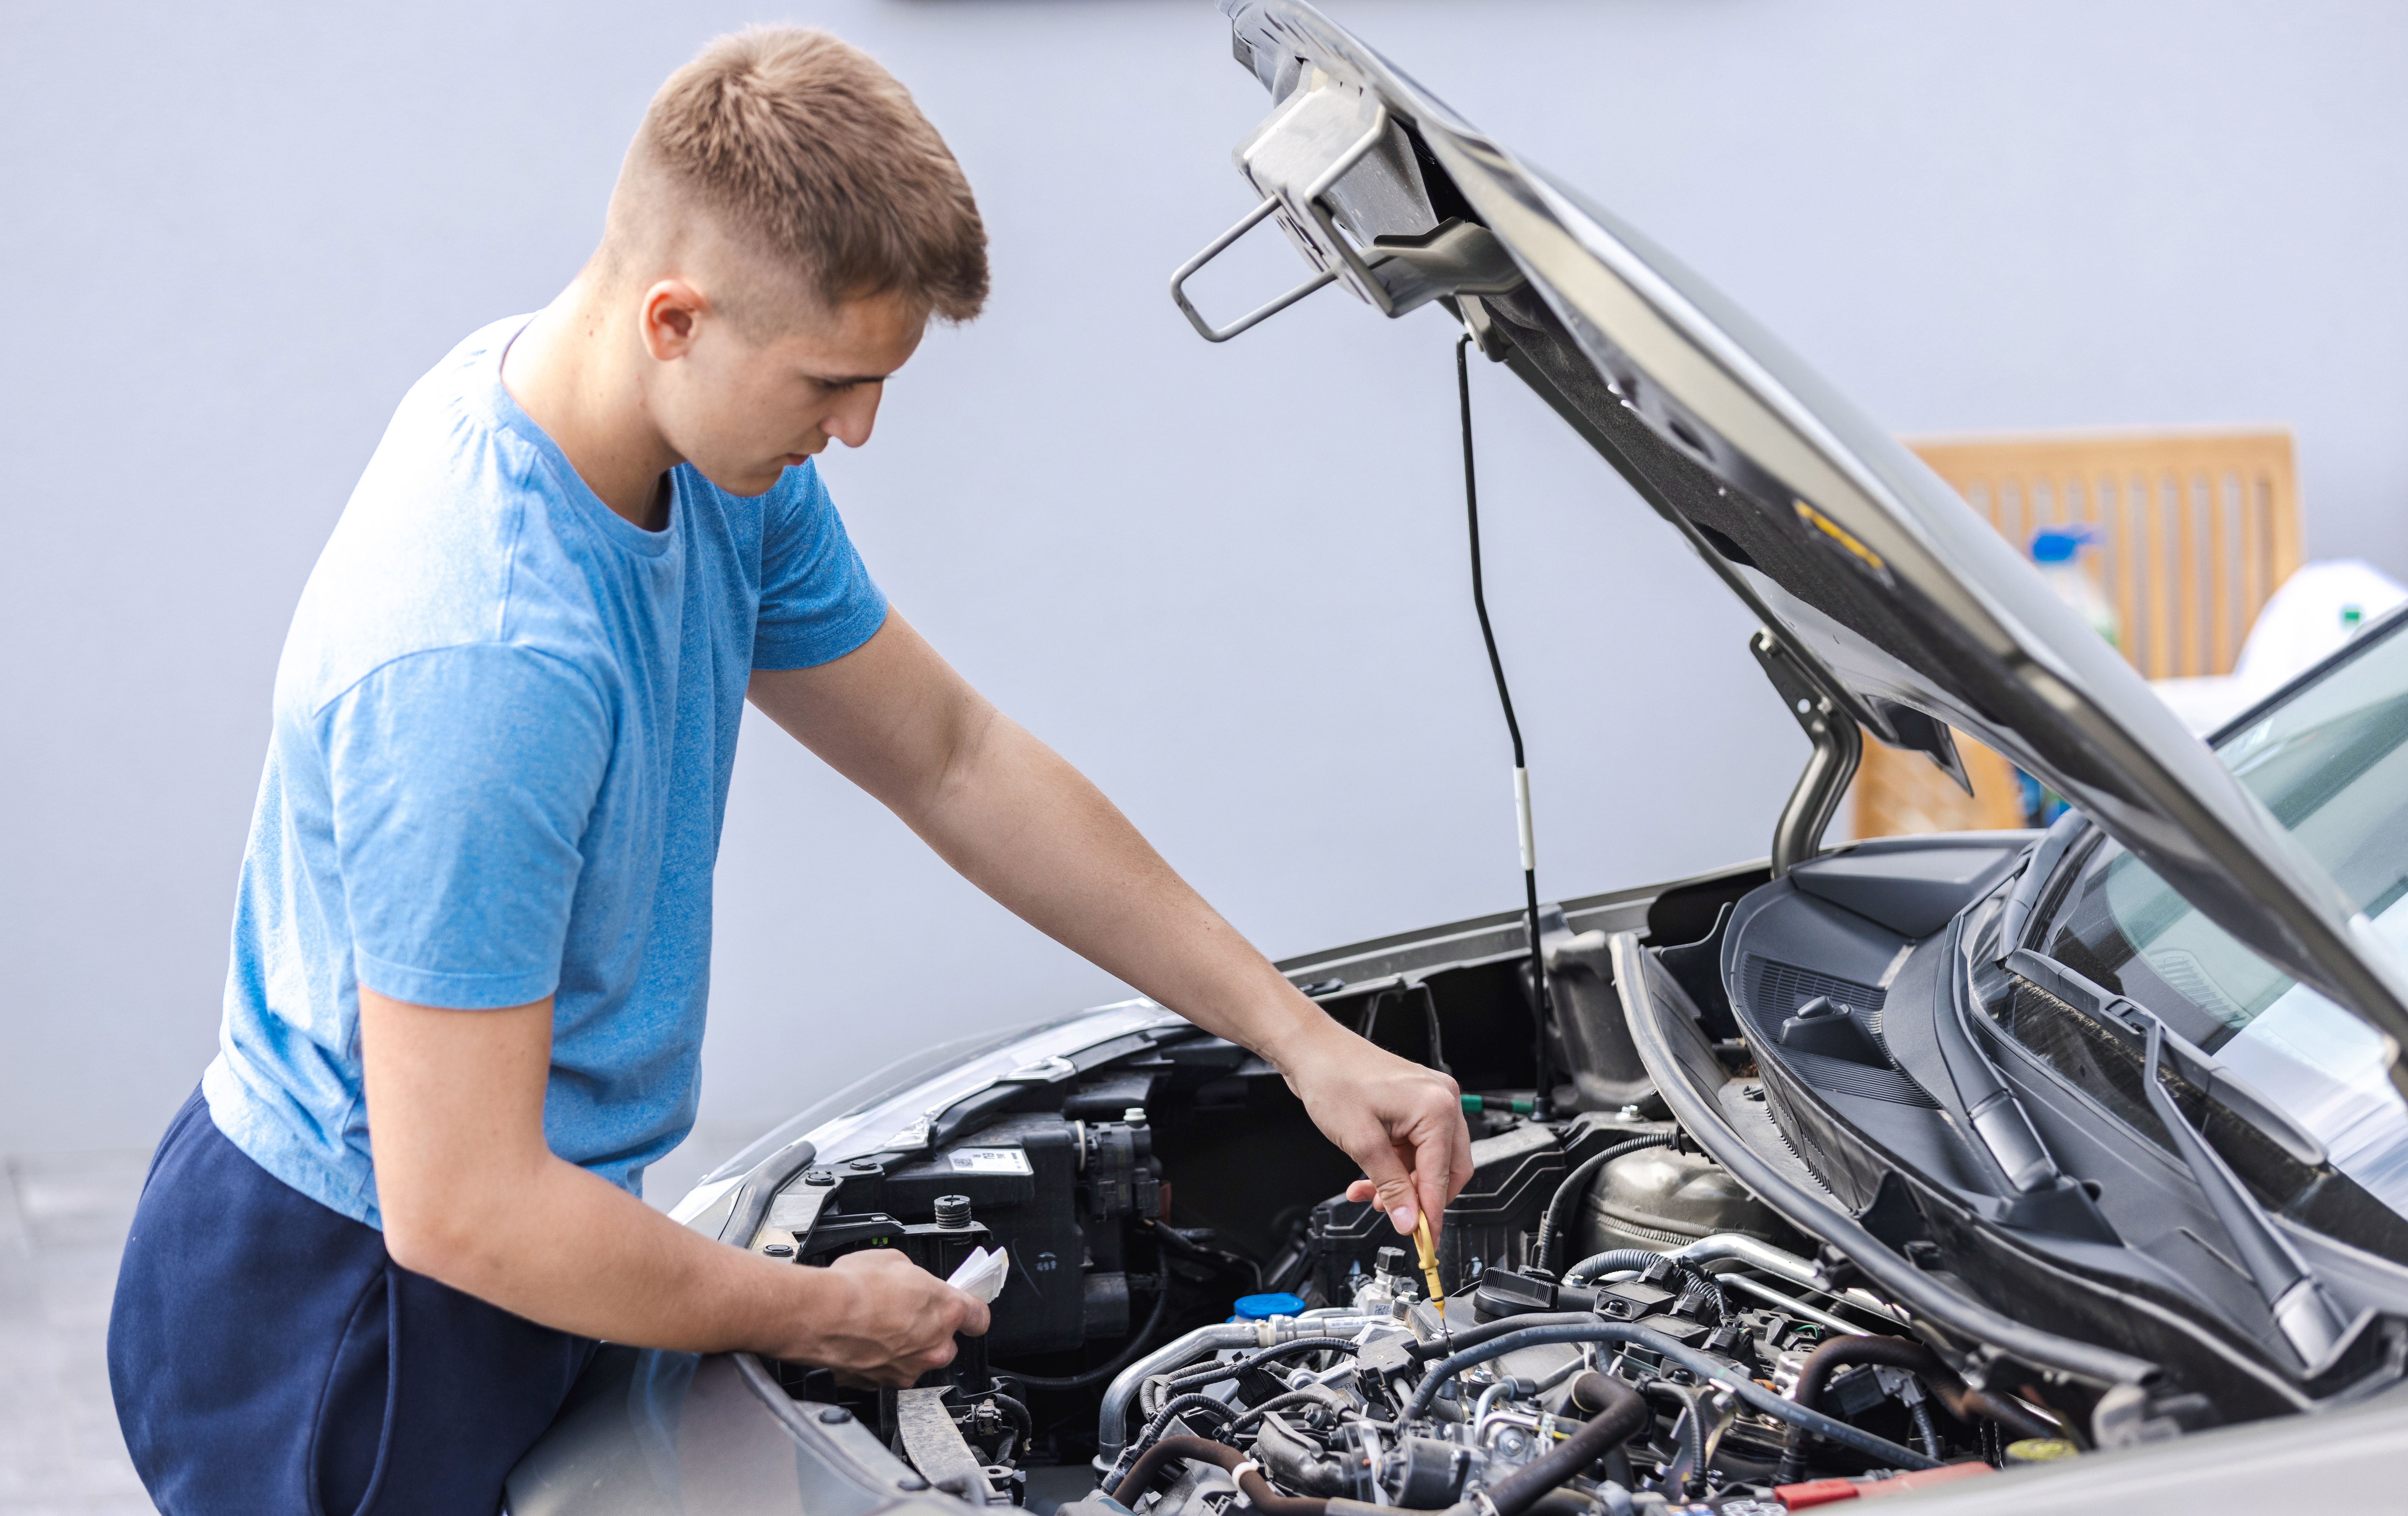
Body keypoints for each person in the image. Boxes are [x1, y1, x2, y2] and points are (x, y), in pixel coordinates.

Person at [105, 25, 1474, 1514]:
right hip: (352, 1308)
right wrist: (820, 1309)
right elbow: (468, 1208)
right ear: (675, 319)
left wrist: (1302, 1039)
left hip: (507, 1222)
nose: (858, 430)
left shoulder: (685, 454)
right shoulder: (486, 663)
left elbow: (954, 760)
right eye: (832, 380)